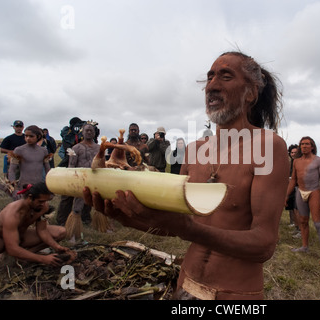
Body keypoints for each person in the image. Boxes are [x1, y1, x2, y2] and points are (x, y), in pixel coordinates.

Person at [83, 51, 289, 300]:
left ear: (251, 93)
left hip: (234, 293)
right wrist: (128, 217)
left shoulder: (267, 147)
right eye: (210, 77)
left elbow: (263, 245)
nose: (212, 85)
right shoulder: (194, 151)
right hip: (185, 283)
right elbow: (174, 227)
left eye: (225, 76)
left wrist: (185, 228)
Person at [0, 182, 75, 266]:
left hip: (20, 236)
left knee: (61, 232)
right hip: (0, 239)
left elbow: (42, 230)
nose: (44, 204)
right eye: (41, 201)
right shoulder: (13, 213)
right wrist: (43, 259)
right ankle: (9, 254)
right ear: (30, 197)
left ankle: (26, 255)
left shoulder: (42, 207)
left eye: (46, 201)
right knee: (7, 247)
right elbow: (11, 248)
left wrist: (56, 246)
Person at [285, 136, 320, 264]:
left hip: (313, 192)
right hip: (300, 191)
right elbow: (293, 180)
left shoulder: (319, 161)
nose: (304, 146)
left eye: (306, 144)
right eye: (302, 144)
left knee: (318, 224)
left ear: (312, 146)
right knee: (303, 221)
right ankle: (304, 247)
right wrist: (286, 196)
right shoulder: (296, 161)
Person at [56, 123, 100, 227]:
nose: (89, 132)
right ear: (82, 132)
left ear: (94, 133)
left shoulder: (99, 148)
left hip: (92, 178)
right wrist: (72, 180)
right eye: (86, 130)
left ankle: (85, 218)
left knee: (88, 200)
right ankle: (63, 220)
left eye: (91, 130)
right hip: (77, 178)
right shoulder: (75, 148)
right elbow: (71, 165)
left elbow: (101, 164)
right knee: (69, 200)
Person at [8, 125, 51, 198]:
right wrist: (14, 188)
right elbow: (12, 170)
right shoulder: (19, 150)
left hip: (38, 186)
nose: (28, 138)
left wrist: (50, 185)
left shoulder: (43, 151)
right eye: (26, 136)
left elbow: (48, 169)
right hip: (24, 186)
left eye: (31, 136)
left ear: (38, 136)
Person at [285, 144, 301, 238]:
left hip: (298, 188)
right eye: (292, 152)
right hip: (291, 187)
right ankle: (296, 227)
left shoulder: (299, 162)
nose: (293, 154)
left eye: (295, 152)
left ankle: (300, 230)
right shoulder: (291, 162)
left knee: (298, 210)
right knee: (293, 209)